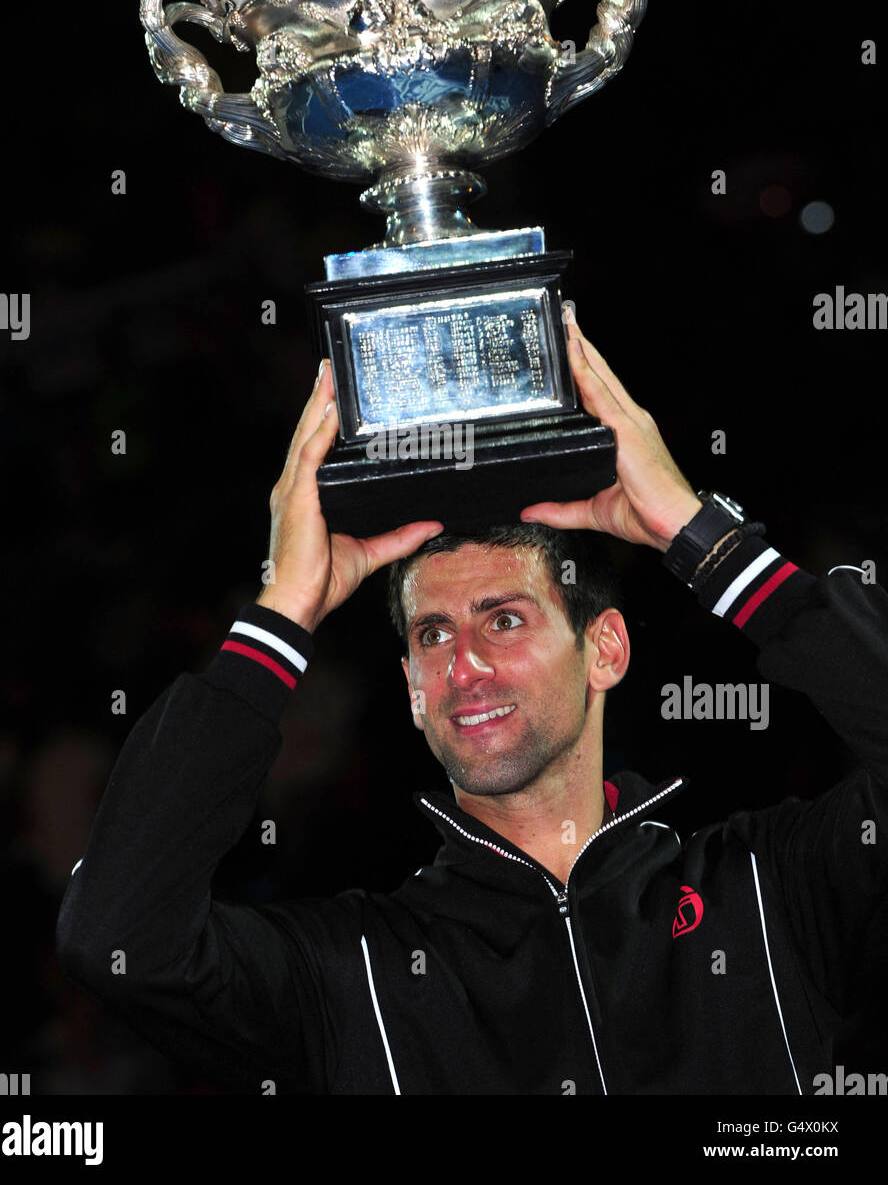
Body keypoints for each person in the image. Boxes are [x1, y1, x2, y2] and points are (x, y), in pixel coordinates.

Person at [56, 313, 887, 1094]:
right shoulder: (360, 972)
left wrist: (710, 542)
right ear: (413, 695)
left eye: (505, 619)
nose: (466, 665)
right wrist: (283, 612)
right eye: (432, 636)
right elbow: (118, 940)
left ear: (606, 649)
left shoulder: (769, 888)